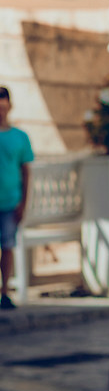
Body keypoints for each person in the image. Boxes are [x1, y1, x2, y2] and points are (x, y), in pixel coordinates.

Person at [0, 88, 29, 312]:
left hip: (10, 201)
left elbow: (26, 171)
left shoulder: (20, 137)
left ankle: (5, 292)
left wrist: (23, 203)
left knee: (8, 246)